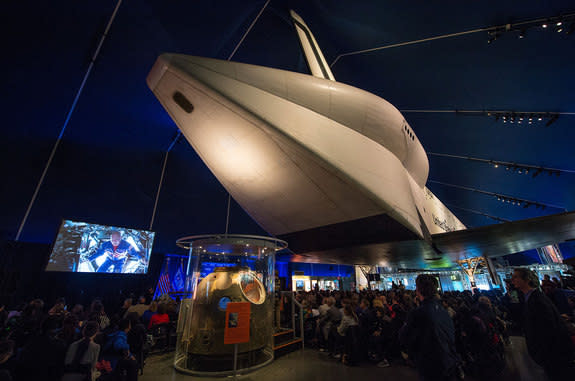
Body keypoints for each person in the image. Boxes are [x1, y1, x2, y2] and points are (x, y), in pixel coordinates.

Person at [511, 268, 574, 380]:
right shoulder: (531, 298)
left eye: (516, 277)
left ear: (526, 279)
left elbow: (548, 328)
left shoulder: (537, 300)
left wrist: (541, 353)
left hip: (553, 354)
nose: (512, 280)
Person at [400, 274, 460, 381]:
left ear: (418, 290)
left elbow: (404, 337)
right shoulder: (444, 311)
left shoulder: (418, 313)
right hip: (449, 360)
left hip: (430, 363)